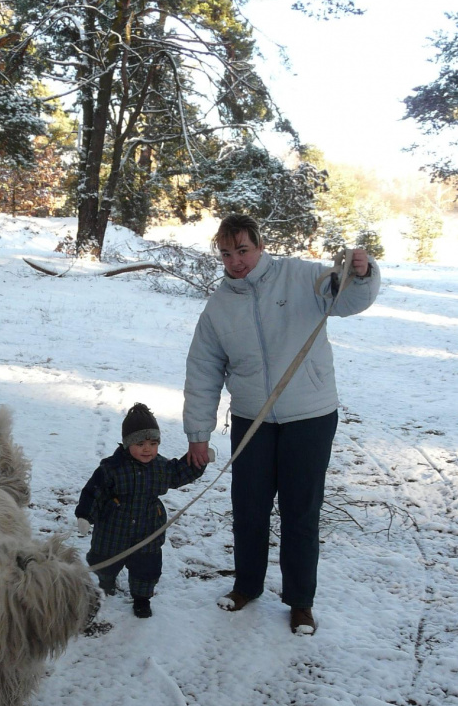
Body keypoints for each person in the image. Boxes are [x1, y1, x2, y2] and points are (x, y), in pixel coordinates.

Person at [183, 213, 381, 635]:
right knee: (249, 508)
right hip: (252, 419)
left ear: (259, 246)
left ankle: (300, 601)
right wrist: (197, 434)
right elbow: (203, 371)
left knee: (300, 512)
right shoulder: (219, 305)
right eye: (226, 253)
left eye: (243, 250)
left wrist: (360, 275)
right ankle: (246, 585)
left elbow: (345, 298)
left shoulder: (299, 276)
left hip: (310, 416)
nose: (236, 261)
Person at [75, 403, 211, 618]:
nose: (147, 449)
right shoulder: (111, 468)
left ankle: (141, 598)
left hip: (148, 529)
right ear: (127, 443)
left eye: (153, 443)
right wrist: (85, 515)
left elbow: (178, 473)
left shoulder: (160, 466)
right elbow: (94, 491)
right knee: (104, 560)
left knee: (146, 567)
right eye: (140, 443)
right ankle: (106, 582)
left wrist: (197, 462)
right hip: (112, 529)